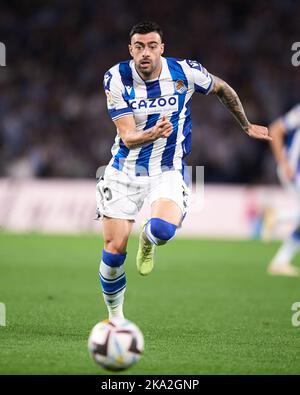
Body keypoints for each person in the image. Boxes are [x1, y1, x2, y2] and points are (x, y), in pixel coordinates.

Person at [96, 21, 271, 320]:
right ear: (131, 50)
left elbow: (222, 88)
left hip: (167, 169)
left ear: (162, 48)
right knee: (113, 253)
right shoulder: (116, 77)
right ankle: (116, 319)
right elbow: (127, 136)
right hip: (124, 171)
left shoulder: (184, 72)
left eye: (152, 46)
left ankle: (148, 240)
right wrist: (153, 132)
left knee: (162, 230)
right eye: (139, 47)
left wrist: (246, 124)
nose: (145, 53)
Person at [265, 103, 300, 277]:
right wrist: (283, 162)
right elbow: (276, 129)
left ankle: (280, 262)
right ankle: (277, 216)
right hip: (295, 170)